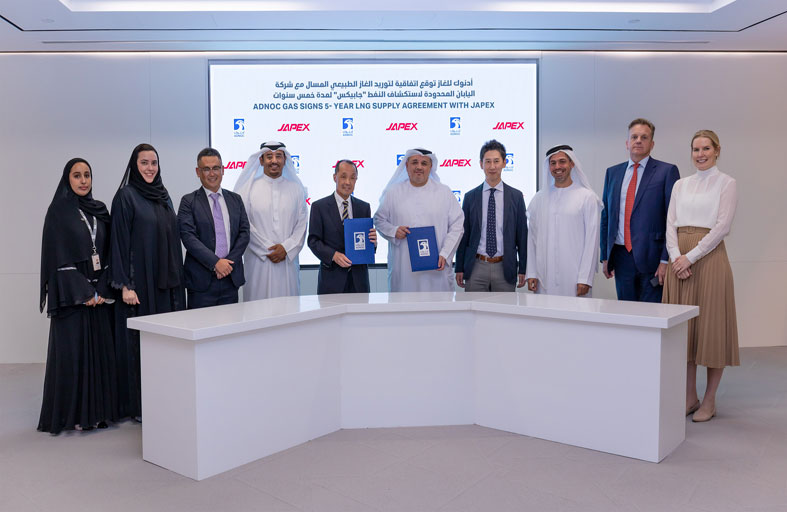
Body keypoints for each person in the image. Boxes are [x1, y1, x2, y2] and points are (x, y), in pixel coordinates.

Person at [663, 130, 738, 422]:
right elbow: (670, 223)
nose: (700, 154)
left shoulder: (727, 183)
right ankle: (689, 397)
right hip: (679, 260)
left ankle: (709, 400)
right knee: (685, 332)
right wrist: (675, 257)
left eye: (706, 148)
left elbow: (722, 227)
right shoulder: (680, 184)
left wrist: (689, 257)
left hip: (708, 258)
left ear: (717, 150)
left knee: (711, 329)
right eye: (696, 149)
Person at [38, 158, 118, 434]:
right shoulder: (58, 213)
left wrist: (102, 289)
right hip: (74, 299)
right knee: (73, 356)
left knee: (100, 356)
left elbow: (110, 253)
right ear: (67, 179)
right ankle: (72, 415)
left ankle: (97, 414)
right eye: (77, 175)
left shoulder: (100, 211)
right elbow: (56, 258)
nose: (83, 180)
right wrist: (85, 292)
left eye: (87, 175)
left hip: (99, 299)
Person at [110, 143, 185, 421]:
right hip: (139, 286)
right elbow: (118, 243)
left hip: (166, 287)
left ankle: (164, 401)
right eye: (144, 163)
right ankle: (139, 407)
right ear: (134, 165)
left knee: (165, 346)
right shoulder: (125, 197)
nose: (150, 168)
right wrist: (125, 285)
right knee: (140, 347)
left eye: (154, 162)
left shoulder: (163, 196)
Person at [600, 118, 680, 302]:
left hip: (653, 258)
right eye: (634, 137)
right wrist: (605, 256)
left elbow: (673, 218)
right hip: (621, 257)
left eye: (644, 137)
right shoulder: (612, 173)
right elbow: (606, 217)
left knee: (652, 313)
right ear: (627, 143)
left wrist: (665, 260)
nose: (638, 141)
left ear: (652, 144)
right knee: (626, 313)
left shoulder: (667, 171)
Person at [374, 148, 464, 292]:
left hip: (436, 271)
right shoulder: (393, 192)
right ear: (406, 166)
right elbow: (379, 220)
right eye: (414, 162)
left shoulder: (444, 192)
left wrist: (445, 253)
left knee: (438, 305)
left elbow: (457, 225)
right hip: (404, 270)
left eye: (424, 163)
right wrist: (394, 231)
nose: (419, 167)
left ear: (431, 167)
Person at [234, 141, 308, 301]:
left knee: (288, 308)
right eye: (269, 157)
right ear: (261, 160)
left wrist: (286, 248)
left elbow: (301, 226)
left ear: (285, 160)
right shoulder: (247, 190)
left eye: (278, 156)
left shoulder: (297, 189)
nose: (274, 161)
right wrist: (268, 249)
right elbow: (245, 226)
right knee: (258, 308)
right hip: (258, 263)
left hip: (287, 263)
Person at [178, 148, 250, 309]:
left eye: (216, 168)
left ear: (223, 170)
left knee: (231, 324)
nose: (212, 174)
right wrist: (216, 262)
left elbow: (244, 233)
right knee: (200, 324)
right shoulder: (188, 202)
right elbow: (188, 237)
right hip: (201, 282)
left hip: (230, 278)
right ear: (198, 172)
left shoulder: (236, 200)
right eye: (206, 169)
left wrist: (227, 265)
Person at [526, 145, 602, 297]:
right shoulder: (539, 199)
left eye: (562, 161)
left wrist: (585, 278)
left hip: (575, 277)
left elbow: (592, 241)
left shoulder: (587, 197)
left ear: (572, 164)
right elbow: (532, 239)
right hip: (544, 277)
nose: (557, 167)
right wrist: (532, 272)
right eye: (553, 163)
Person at [455, 140, 528, 292]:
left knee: (504, 307)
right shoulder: (470, 197)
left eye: (496, 161)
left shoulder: (516, 197)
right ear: (481, 164)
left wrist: (523, 268)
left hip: (505, 267)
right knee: (473, 307)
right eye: (488, 161)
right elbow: (464, 235)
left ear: (504, 163)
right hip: (476, 267)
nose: (492, 166)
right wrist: (459, 267)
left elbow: (522, 235)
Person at [307, 159, 377, 294]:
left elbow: (365, 246)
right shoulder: (319, 207)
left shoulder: (364, 207)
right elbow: (313, 241)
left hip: (359, 282)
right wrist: (333, 255)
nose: (348, 182)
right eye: (343, 177)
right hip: (331, 280)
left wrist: (373, 243)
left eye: (352, 178)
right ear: (335, 177)